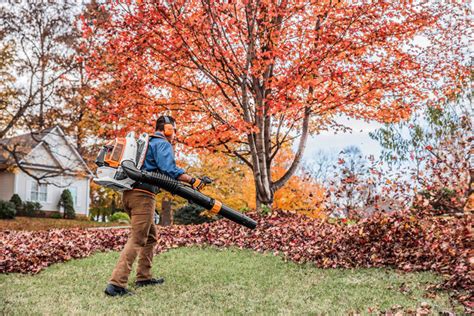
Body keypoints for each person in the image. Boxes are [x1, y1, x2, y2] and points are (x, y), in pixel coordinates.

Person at [105, 115, 210, 296]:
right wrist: (193, 180)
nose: (175, 133)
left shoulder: (147, 143)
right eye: (174, 129)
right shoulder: (162, 143)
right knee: (138, 238)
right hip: (143, 197)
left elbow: (162, 176)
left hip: (130, 195)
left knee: (151, 237)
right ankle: (116, 284)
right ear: (167, 128)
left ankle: (143, 277)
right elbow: (169, 170)